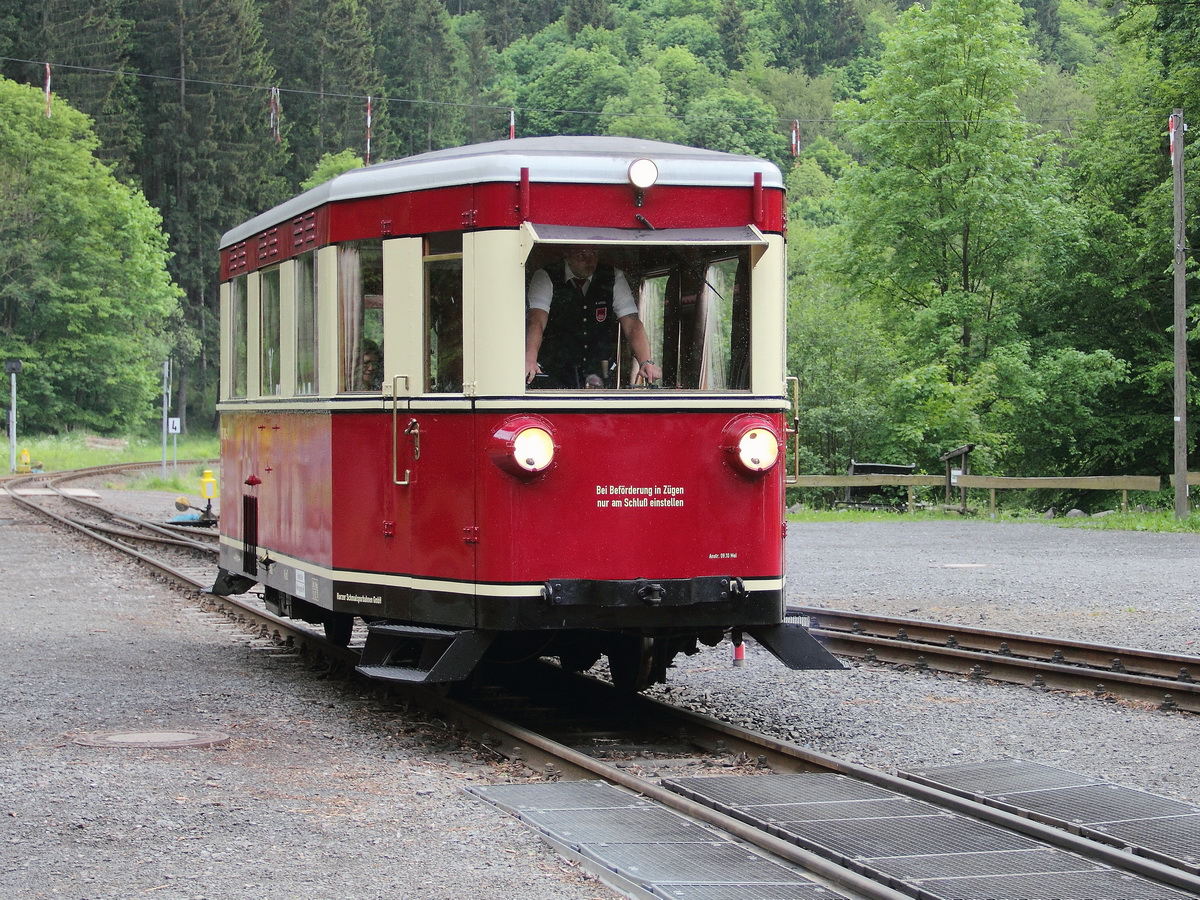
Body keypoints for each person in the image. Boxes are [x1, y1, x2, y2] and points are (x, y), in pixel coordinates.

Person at [525, 245, 662, 388]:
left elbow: (632, 324)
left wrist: (646, 362)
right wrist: (530, 359)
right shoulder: (547, 275)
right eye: (581, 256)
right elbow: (536, 321)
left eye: (594, 254)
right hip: (555, 369)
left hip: (600, 371)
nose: (590, 261)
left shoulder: (613, 277)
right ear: (567, 255)